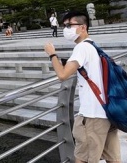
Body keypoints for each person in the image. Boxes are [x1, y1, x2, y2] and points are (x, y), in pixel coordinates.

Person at [44, 11, 120, 163]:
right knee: (113, 159)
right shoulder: (93, 46)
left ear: (83, 27)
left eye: (69, 25)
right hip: (107, 112)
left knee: (82, 158)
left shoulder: (81, 48)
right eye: (64, 26)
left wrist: (52, 55)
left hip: (92, 116)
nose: (66, 29)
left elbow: (63, 75)